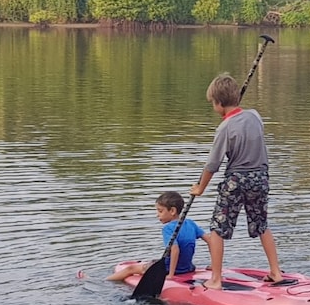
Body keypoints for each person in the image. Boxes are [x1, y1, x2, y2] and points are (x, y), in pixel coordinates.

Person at [189, 73, 283, 290]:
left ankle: (216, 279)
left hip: (236, 180)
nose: (213, 107)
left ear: (219, 103)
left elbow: (213, 164)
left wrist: (200, 188)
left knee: (217, 228)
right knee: (261, 225)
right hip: (260, 178)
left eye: (213, 103)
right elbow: (247, 122)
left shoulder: (224, 128)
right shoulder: (255, 116)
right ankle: (276, 272)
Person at [108, 191, 206, 281]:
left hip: (169, 269)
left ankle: (104, 282)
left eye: (160, 211)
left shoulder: (168, 229)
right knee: (155, 261)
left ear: (172, 211)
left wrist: (171, 275)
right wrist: (214, 267)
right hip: (188, 268)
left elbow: (175, 250)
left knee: (130, 268)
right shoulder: (191, 223)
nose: (157, 215)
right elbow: (210, 240)